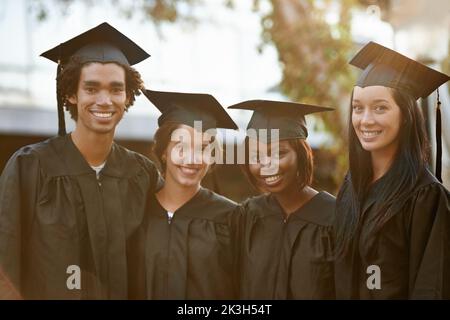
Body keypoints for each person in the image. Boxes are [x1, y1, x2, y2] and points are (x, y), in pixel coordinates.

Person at [0, 22, 162, 299]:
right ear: (71, 94)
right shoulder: (30, 166)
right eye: (91, 88)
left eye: (115, 89)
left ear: (128, 96)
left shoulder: (142, 174)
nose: (104, 100)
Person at [334, 41, 450, 299]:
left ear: (406, 114)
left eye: (380, 108)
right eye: (357, 108)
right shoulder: (351, 186)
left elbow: (431, 288)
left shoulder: (426, 197)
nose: (365, 120)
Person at [228, 100, 336, 299]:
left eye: (279, 153)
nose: (267, 165)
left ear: (301, 154)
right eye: (256, 156)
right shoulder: (247, 216)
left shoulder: (335, 218)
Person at [141, 89, 240, 299]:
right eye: (181, 147)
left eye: (203, 148)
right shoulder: (137, 211)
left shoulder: (231, 218)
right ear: (164, 151)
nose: (192, 159)